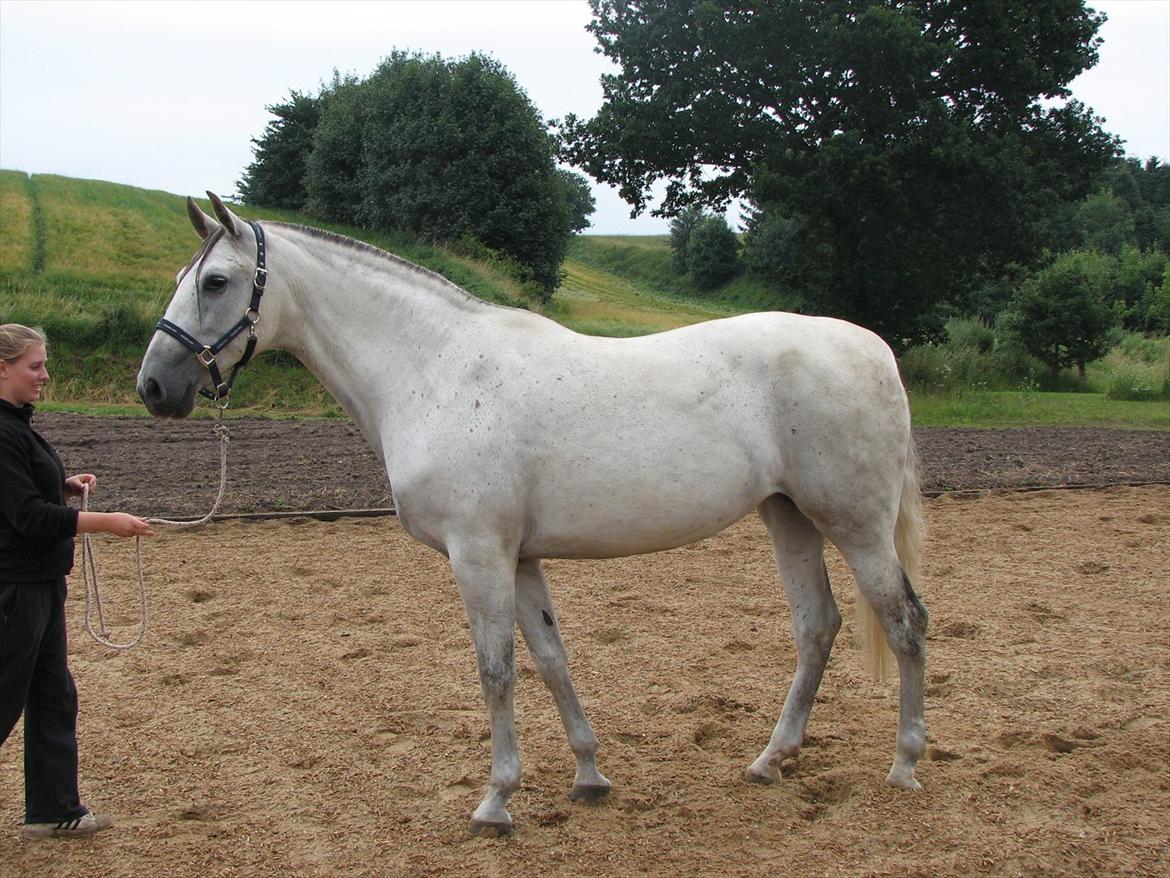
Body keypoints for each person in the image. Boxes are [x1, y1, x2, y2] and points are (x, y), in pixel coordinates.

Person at [0, 323, 154, 839]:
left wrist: (63, 484)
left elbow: (25, 492)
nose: (45, 375)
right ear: (2, 368)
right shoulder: (1, 431)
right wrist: (106, 521)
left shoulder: (16, 425)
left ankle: (53, 809)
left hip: (40, 582)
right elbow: (28, 516)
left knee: (53, 695)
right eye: (34, 366)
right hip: (15, 588)